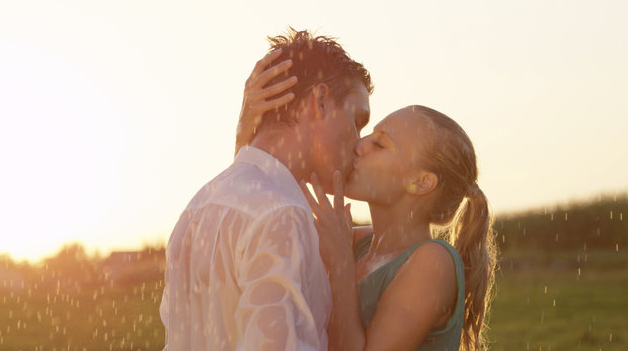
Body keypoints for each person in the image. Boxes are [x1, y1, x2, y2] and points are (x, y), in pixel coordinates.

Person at [159, 28, 373, 351]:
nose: (358, 143)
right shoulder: (283, 214)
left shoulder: (195, 209)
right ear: (321, 101)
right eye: (357, 120)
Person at [238, 104, 498, 350]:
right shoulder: (353, 242)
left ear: (421, 183)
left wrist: (340, 263)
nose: (359, 145)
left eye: (379, 144)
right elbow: (251, 227)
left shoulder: (433, 262)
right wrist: (248, 137)